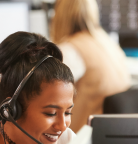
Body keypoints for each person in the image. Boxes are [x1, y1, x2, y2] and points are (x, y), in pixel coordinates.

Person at [50, 0, 131, 133]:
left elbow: (40, 91)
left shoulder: (70, 50)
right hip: (110, 136)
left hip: (82, 142)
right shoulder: (107, 42)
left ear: (58, 14)